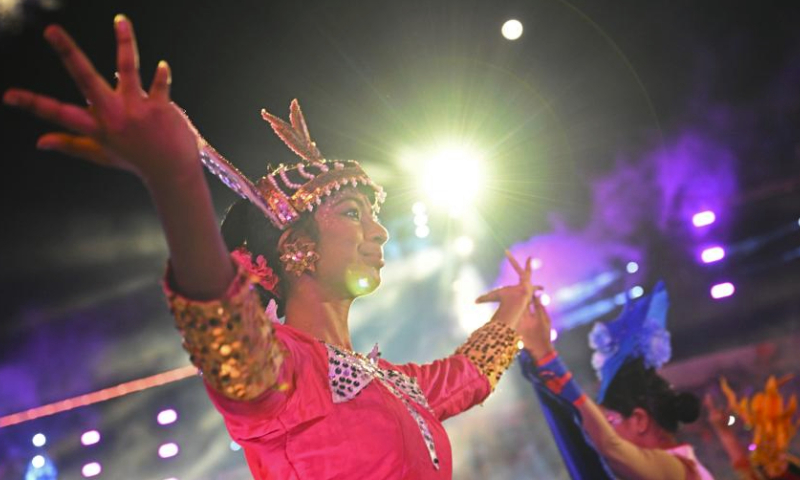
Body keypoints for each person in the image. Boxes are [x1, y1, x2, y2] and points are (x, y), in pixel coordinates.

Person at [4, 15, 540, 479]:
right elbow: (224, 325)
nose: (379, 232)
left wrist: (517, 307)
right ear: (294, 247)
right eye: (352, 215)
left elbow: (468, 375)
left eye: (374, 217)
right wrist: (176, 180)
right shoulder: (282, 371)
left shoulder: (391, 382)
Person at [517, 281, 715, 480]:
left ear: (639, 420)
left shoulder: (673, 469)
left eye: (610, 421)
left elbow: (609, 446)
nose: (605, 428)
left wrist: (547, 358)